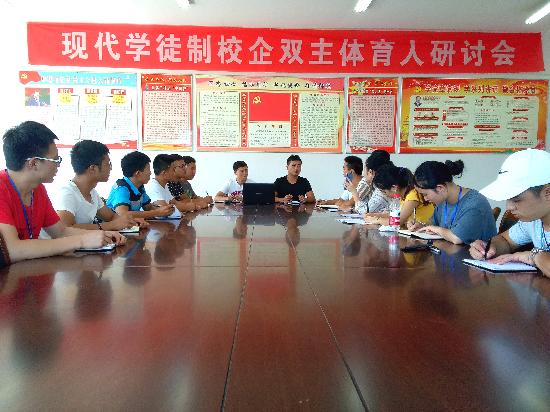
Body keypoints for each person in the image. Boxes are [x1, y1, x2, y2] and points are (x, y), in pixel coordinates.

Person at [0, 121, 125, 263]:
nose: (58, 165)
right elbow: (13, 250)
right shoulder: (2, 188)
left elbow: (61, 231)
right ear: (34, 163)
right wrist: (82, 240)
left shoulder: (37, 189)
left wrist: (103, 234)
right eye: (55, 160)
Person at [469, 149, 550, 277]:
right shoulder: (533, 221)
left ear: (548, 193)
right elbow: (505, 240)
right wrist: (490, 248)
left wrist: (535, 255)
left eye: (516, 200)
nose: (509, 207)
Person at [55, 140, 144, 231]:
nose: (110, 168)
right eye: (107, 164)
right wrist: (111, 225)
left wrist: (131, 222)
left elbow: (111, 217)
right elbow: (65, 228)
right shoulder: (67, 193)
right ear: (93, 168)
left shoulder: (92, 192)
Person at [412, 160, 497, 245]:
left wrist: (435, 229)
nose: (425, 199)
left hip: (475, 253)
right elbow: (433, 224)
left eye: (425, 194)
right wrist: (422, 226)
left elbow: (457, 238)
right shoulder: (443, 201)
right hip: (449, 251)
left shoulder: (474, 203)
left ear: (440, 188)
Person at [106, 151, 174, 219]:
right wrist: (157, 212)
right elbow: (122, 214)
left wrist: (165, 210)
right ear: (138, 173)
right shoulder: (121, 188)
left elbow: (148, 207)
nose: (150, 173)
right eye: (148, 169)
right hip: (113, 225)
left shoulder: (140, 187)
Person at [366, 164, 434, 227]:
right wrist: (376, 215)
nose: (385, 194)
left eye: (384, 191)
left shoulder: (413, 196)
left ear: (394, 188)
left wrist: (376, 220)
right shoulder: (404, 195)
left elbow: (397, 221)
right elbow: (396, 215)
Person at [347, 150, 392, 214]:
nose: (363, 173)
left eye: (365, 168)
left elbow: (363, 211)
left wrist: (354, 192)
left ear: (370, 172)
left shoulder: (382, 190)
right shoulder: (380, 185)